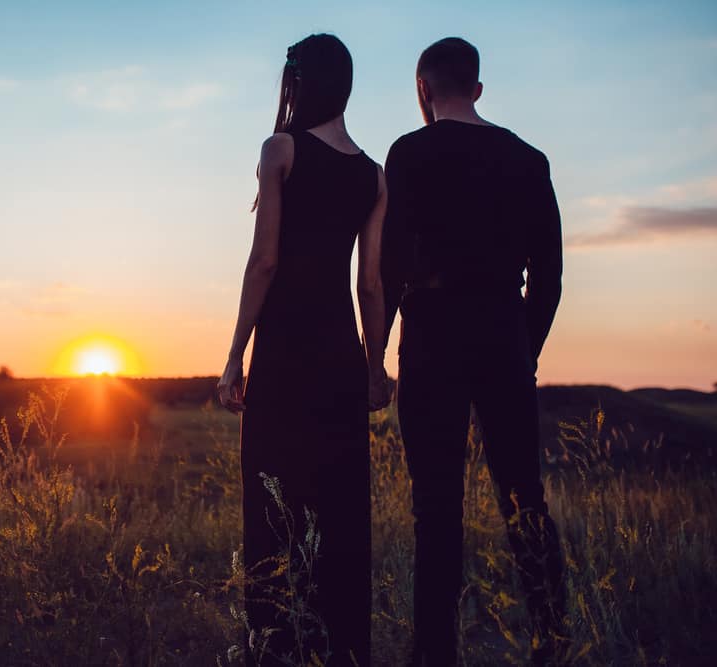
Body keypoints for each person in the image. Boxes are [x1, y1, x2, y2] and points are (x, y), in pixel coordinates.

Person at [380, 37, 566, 665]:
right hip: (502, 331)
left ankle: (435, 654)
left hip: (431, 335)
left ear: (423, 90)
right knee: (525, 496)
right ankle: (554, 640)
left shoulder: (408, 153)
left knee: (436, 505)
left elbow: (387, 263)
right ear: (478, 88)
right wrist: (526, 347)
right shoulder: (528, 158)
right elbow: (550, 271)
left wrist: (374, 352)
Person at [217, 33, 390, 667]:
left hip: (285, 354)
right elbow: (368, 283)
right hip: (341, 357)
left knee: (271, 505)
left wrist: (235, 354)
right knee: (339, 511)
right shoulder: (374, 175)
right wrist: (376, 366)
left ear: (298, 82)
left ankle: (272, 647)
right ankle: (339, 650)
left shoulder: (280, 150)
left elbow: (264, 262)